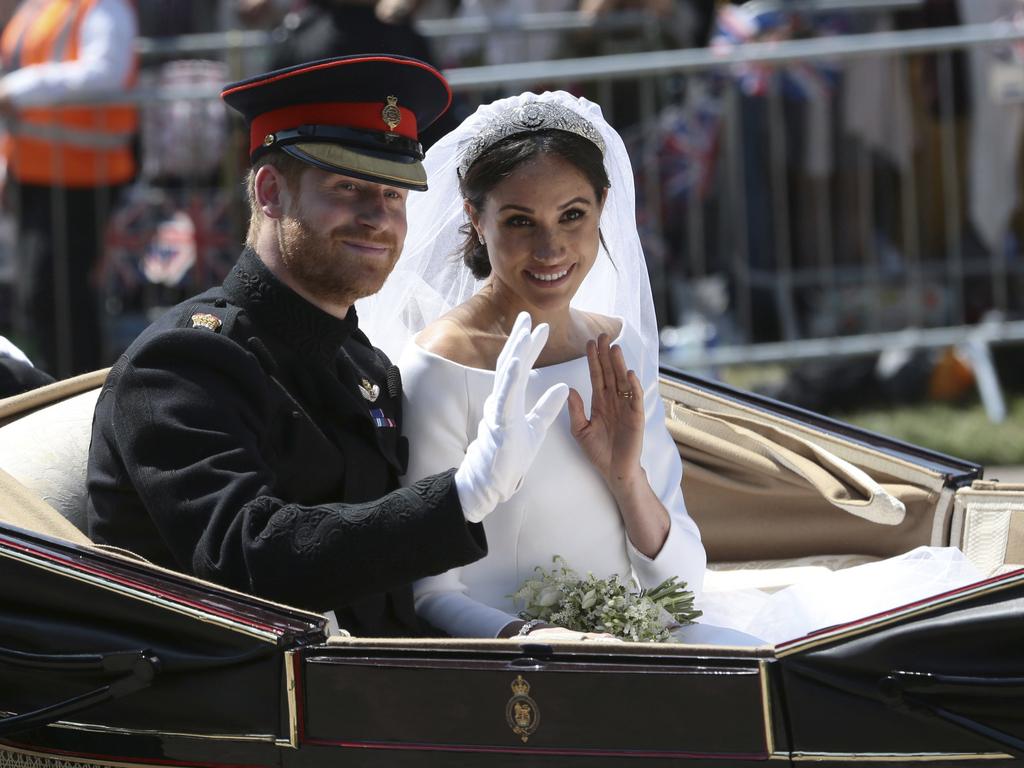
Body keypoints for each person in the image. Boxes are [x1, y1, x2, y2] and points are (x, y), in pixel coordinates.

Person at [358, 91, 983, 645]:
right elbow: (431, 594)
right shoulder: (441, 363)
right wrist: (540, 639)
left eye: (572, 216)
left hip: (643, 641)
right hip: (515, 664)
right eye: (520, 222)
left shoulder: (615, 345)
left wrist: (626, 478)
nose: (551, 248)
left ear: (603, 207)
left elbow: (683, 584)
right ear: (475, 218)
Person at [86, 56, 570, 637]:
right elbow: (247, 558)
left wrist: (512, 636)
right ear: (270, 192)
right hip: (243, 710)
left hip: (368, 691)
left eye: (394, 195)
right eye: (347, 187)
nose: (377, 218)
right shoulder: (183, 364)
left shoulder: (364, 366)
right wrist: (462, 496)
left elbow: (392, 594)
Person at [0, 0, 138, 377]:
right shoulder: (39, 7)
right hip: (33, 174)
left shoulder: (101, 6)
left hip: (82, 178)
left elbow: (105, 72)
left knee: (60, 297)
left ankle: (77, 393)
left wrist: (19, 89)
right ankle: (53, 389)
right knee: (39, 298)